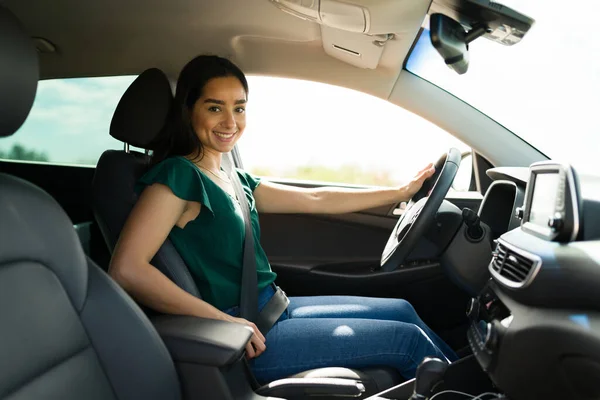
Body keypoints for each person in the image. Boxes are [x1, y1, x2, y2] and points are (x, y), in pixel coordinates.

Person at [109, 55, 458, 384]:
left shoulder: (231, 176)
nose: (230, 122)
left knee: (403, 310)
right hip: (242, 331)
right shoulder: (177, 176)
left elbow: (314, 198)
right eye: (214, 108)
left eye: (239, 108)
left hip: (273, 307)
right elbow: (127, 269)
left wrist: (399, 193)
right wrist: (224, 322)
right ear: (188, 111)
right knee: (407, 341)